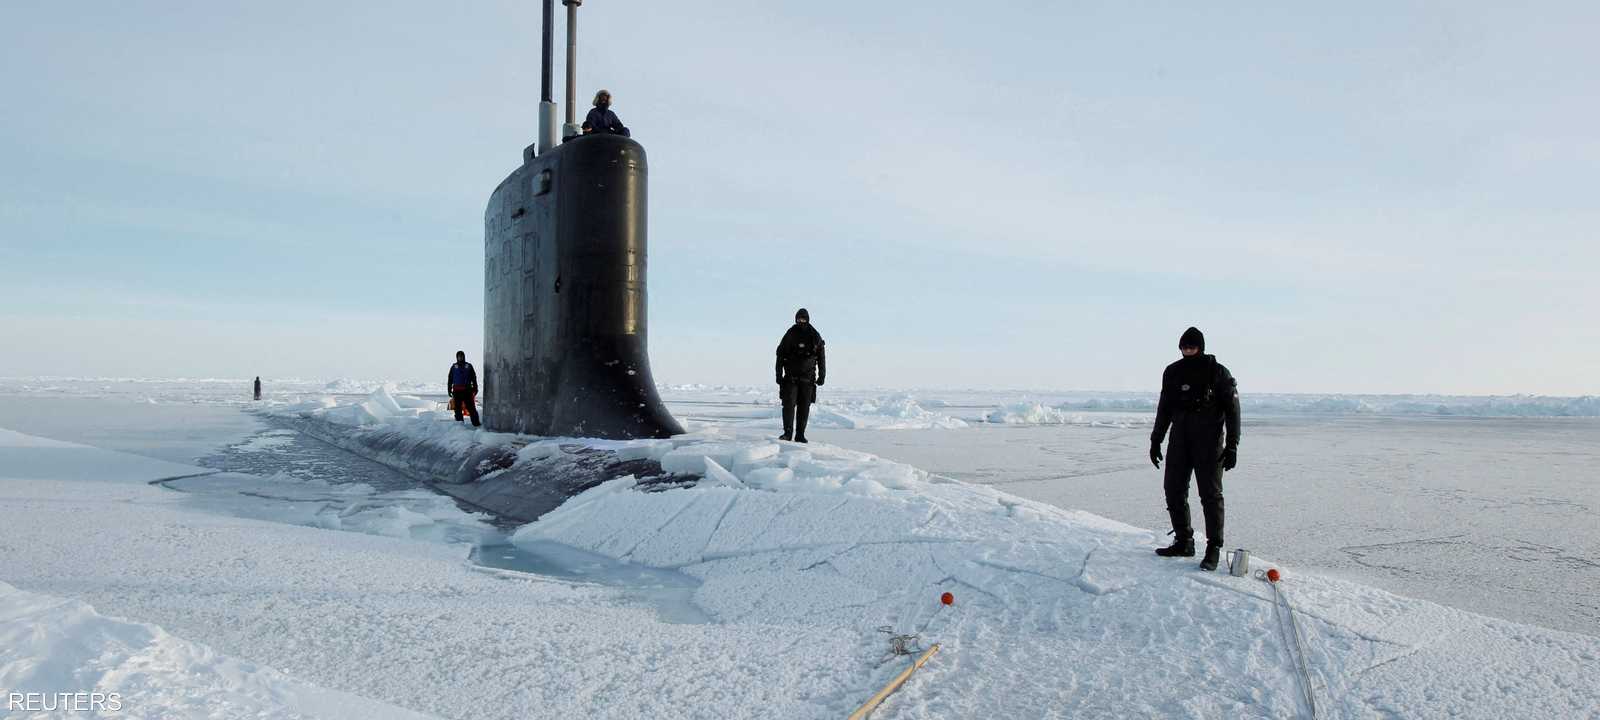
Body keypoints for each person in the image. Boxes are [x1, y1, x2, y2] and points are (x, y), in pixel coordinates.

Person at [1149, 327, 1240, 571]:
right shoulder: (1173, 372)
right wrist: (1155, 440)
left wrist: (1232, 445)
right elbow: (1164, 408)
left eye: (1192, 346)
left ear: (1201, 347)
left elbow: (1233, 411)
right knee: (1173, 489)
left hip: (1209, 443)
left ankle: (1213, 548)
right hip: (1179, 440)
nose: (1187, 350)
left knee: (1210, 495)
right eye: (1184, 347)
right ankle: (1184, 541)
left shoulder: (1218, 372)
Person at [775, 308, 825, 443]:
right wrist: (778, 375)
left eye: (803, 319)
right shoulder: (790, 334)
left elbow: (821, 356)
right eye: (799, 319)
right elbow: (780, 354)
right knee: (788, 405)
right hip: (791, 378)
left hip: (808, 379)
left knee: (804, 407)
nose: (801, 322)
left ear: (808, 320)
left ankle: (800, 435)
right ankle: (787, 433)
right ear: (795, 319)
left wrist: (822, 375)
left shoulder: (815, 335)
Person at [447, 350, 481, 427]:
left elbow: (473, 378)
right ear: (456, 357)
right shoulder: (453, 367)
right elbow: (450, 378)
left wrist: (475, 388)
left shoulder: (469, 366)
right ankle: (460, 426)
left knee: (471, 408)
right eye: (459, 356)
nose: (460, 358)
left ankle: (477, 425)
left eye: (461, 356)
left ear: (464, 357)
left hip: (467, 391)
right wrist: (449, 389)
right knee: (457, 409)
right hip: (457, 391)